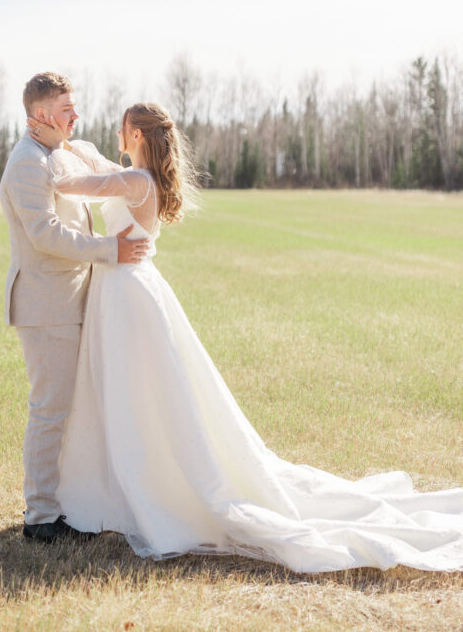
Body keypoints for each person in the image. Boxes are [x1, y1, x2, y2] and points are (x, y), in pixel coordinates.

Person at [32, 101, 463, 573]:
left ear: (135, 134)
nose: (116, 133)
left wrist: (50, 145)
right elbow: (97, 170)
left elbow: (70, 184)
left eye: (121, 127)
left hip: (127, 291)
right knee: (134, 390)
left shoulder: (135, 181)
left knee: (139, 392)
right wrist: (68, 142)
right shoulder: (138, 176)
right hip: (127, 286)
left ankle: (146, 482)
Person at [0, 72, 149, 543]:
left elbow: (111, 175)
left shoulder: (65, 151)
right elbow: (44, 235)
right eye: (67, 109)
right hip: (46, 306)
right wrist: (110, 249)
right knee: (49, 409)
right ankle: (40, 518)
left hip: (76, 298)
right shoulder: (27, 163)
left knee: (71, 407)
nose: (76, 116)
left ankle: (70, 503)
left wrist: (148, 160)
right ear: (40, 114)